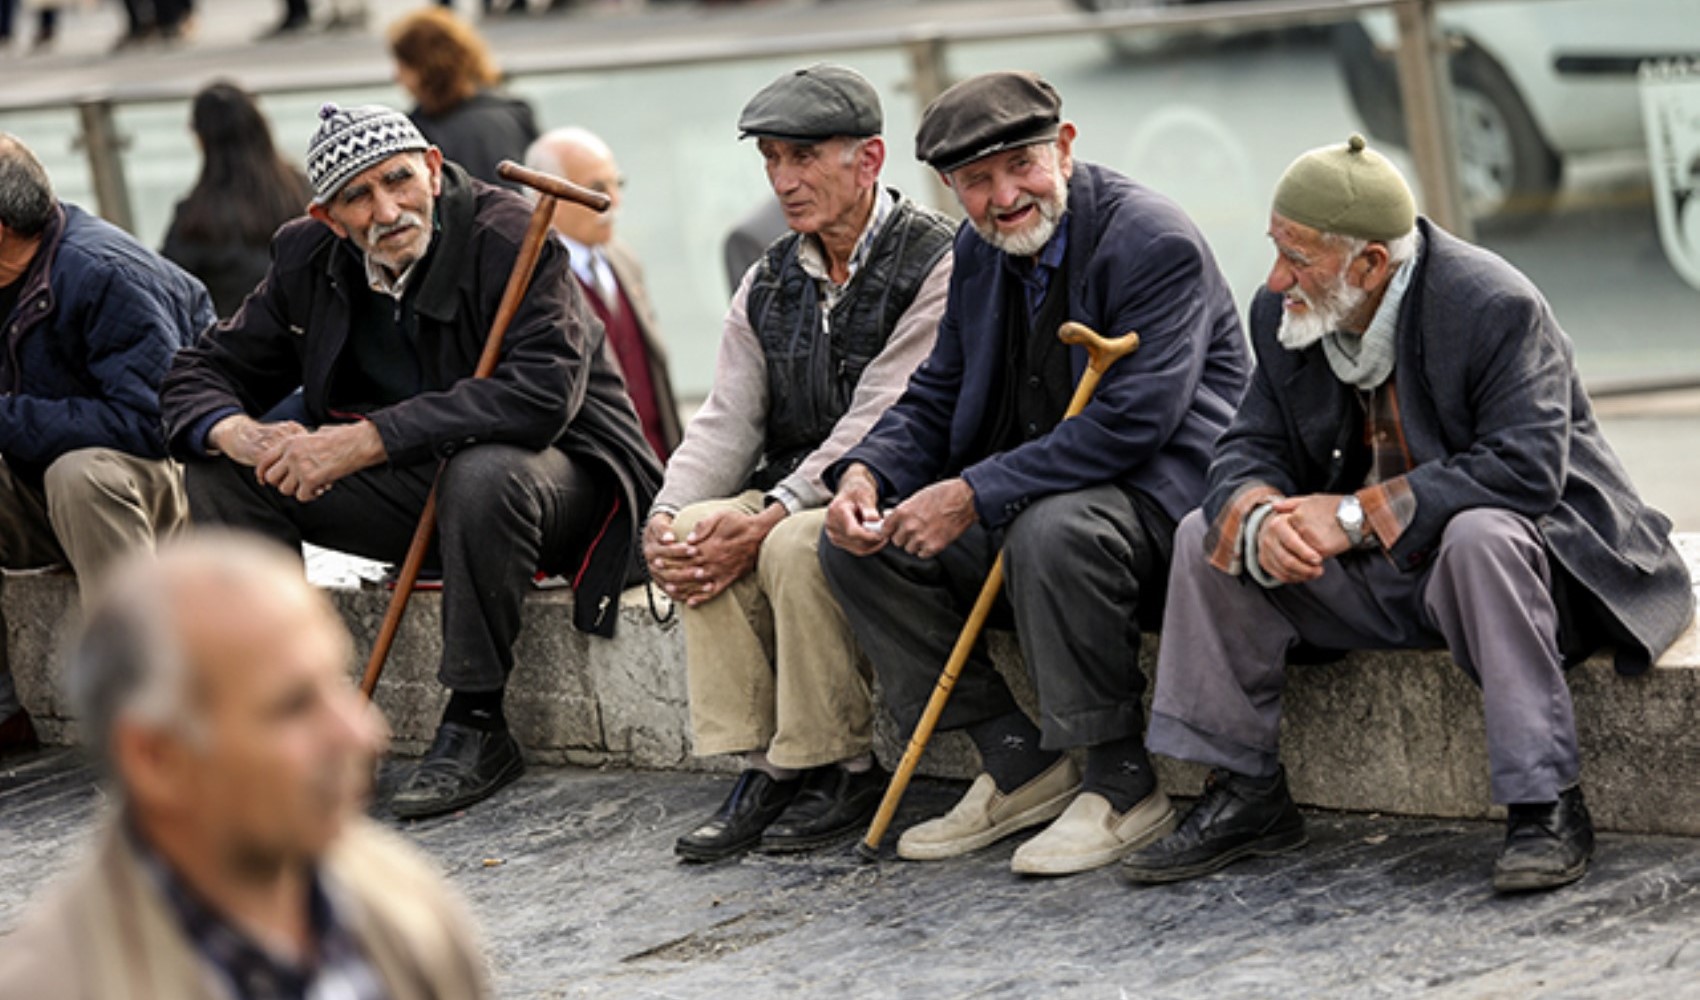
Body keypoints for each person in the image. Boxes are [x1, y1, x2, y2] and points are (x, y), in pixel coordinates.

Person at [1120, 135, 1695, 893]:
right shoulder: (1285, 312)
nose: (1275, 277)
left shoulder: (1494, 306)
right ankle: (1245, 790)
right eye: (1276, 250)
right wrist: (1262, 515)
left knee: (1480, 534)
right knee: (1210, 534)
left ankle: (1544, 802)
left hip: (1521, 576)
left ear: (1368, 265)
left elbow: (1527, 470)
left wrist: (1354, 516)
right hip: (1378, 577)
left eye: (1299, 259)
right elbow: (1245, 446)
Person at [160, 104, 662, 820]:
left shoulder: (511, 238)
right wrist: (239, 433)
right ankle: (289, 706)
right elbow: (198, 372)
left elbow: (541, 397)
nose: (387, 209)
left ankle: (477, 721)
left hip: (560, 482)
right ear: (328, 217)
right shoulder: (308, 257)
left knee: (483, 471)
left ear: (431, 166)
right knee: (218, 470)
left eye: (398, 180)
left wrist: (365, 439)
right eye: (358, 198)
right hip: (417, 484)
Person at [819, 71, 1249, 876]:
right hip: (1035, 496)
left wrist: (973, 491)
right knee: (852, 547)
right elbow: (938, 391)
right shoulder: (979, 255)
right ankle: (1019, 762)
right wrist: (866, 475)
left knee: (1051, 527)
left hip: (1164, 508)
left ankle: (1123, 783)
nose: (1003, 196)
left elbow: (1134, 425)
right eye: (975, 181)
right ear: (950, 187)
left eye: (1021, 165)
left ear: (1066, 146)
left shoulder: (1151, 240)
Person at [649, 64, 955, 862]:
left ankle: (840, 763)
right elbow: (724, 420)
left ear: (870, 158)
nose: (785, 180)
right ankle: (765, 765)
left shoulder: (939, 260)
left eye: (805, 157)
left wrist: (778, 510)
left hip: (894, 486)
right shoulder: (768, 276)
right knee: (695, 528)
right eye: (773, 159)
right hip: (795, 486)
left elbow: (882, 416)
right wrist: (661, 516)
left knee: (789, 542)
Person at [0, 533, 493, 999]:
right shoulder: (53, 984)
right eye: (294, 706)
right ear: (156, 758)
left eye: (337, 682)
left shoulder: (404, 904)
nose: (364, 734)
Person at [0, 134, 211, 760]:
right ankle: (4, 712)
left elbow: (152, 423)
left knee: (81, 474)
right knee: (68, 471)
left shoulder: (105, 275)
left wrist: (6, 418)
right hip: (40, 492)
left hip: (158, 486)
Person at [524, 127, 682, 461]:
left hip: (661, 469)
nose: (614, 200)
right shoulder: (527, 279)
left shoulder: (625, 261)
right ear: (547, 194)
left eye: (617, 184)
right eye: (597, 188)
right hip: (602, 482)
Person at [162, 81, 313, 318]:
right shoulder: (303, 194)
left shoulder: (195, 220)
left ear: (202, 140)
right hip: (307, 335)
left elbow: (169, 290)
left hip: (237, 343)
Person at [390, 7, 539, 191]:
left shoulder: (422, 133)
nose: (396, 76)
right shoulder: (514, 112)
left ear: (426, 68)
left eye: (403, 66)